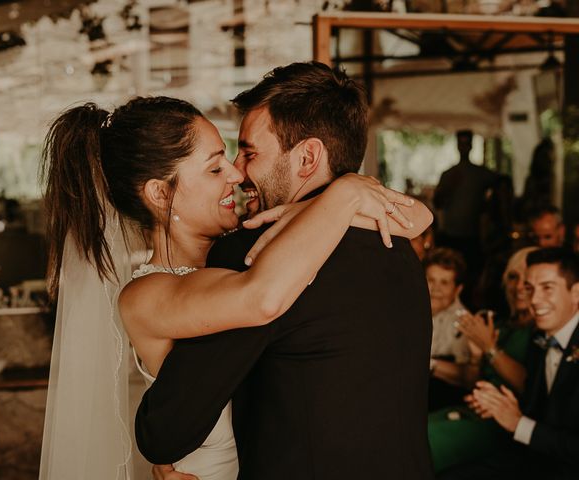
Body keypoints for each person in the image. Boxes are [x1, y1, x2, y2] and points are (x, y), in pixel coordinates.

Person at [38, 95, 431, 480]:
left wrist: (312, 206)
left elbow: (416, 221)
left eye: (231, 157)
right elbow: (261, 298)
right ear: (161, 193)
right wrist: (344, 193)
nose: (236, 175)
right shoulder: (149, 294)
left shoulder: (252, 245)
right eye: (214, 169)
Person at [135, 61, 435, 480]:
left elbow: (166, 431)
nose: (238, 172)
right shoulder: (396, 242)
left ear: (308, 156)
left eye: (250, 152)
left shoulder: (256, 251)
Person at [440, 247, 579, 480]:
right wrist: (497, 404)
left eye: (547, 288)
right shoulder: (540, 341)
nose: (534, 300)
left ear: (576, 293)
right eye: (530, 289)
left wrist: (518, 423)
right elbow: (540, 408)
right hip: (534, 458)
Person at [428, 247, 537, 473]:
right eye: (513, 277)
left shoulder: (540, 331)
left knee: (421, 442)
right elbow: (473, 380)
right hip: (471, 409)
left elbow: (531, 386)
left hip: (504, 422)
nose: (518, 287)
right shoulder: (500, 325)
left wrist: (490, 349)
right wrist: (477, 357)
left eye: (527, 281)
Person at [433, 129, 498, 304]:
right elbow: (437, 203)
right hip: (451, 235)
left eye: (466, 143)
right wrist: (448, 188)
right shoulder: (448, 175)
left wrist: (491, 209)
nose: (463, 147)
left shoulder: (482, 174)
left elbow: (503, 185)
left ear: (470, 146)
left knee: (470, 282)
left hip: (472, 236)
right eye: (460, 143)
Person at [425, 247, 471, 411]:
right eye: (430, 280)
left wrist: (428, 363)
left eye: (444, 282)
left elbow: (469, 377)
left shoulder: (465, 323)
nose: (435, 289)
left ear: (458, 289)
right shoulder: (407, 310)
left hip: (441, 403)